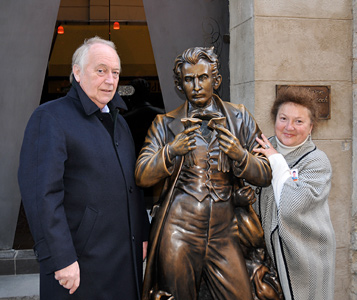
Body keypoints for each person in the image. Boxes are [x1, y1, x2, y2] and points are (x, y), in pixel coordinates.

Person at [135, 46, 272, 300]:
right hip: (179, 229)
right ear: (180, 85)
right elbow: (142, 174)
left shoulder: (239, 118)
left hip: (225, 230)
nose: (196, 85)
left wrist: (240, 155)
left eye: (203, 77)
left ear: (216, 80)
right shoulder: (164, 124)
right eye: (188, 79)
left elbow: (265, 172)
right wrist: (171, 151)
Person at [18, 36, 149, 300]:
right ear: (77, 72)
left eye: (115, 73)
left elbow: (130, 186)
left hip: (124, 258)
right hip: (79, 265)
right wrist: (61, 258)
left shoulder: (119, 122)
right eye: (101, 71)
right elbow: (42, 196)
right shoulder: (50, 117)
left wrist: (142, 231)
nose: (110, 80)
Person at [253, 86, 336, 300]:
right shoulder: (259, 151)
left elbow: (291, 206)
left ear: (311, 127)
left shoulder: (317, 162)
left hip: (305, 263)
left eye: (299, 121)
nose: (289, 127)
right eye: (283, 118)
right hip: (266, 263)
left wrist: (276, 160)